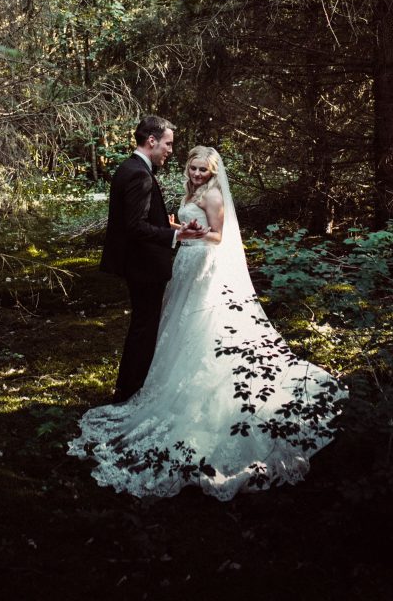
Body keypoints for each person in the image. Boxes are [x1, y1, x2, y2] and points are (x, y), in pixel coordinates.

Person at [69, 145, 348, 500]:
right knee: (175, 326)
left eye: (203, 170)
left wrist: (193, 234)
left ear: (214, 172)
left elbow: (220, 236)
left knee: (200, 325)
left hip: (202, 266)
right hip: (184, 264)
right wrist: (177, 228)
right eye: (193, 168)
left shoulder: (213, 194)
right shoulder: (192, 191)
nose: (197, 174)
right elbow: (190, 226)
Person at [99, 115, 206, 403]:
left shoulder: (129, 167)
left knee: (141, 325)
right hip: (143, 265)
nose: (170, 150)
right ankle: (131, 390)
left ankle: (128, 385)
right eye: (168, 144)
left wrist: (167, 225)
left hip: (136, 262)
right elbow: (135, 226)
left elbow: (138, 219)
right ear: (152, 141)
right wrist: (175, 236)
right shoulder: (139, 174)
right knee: (145, 327)